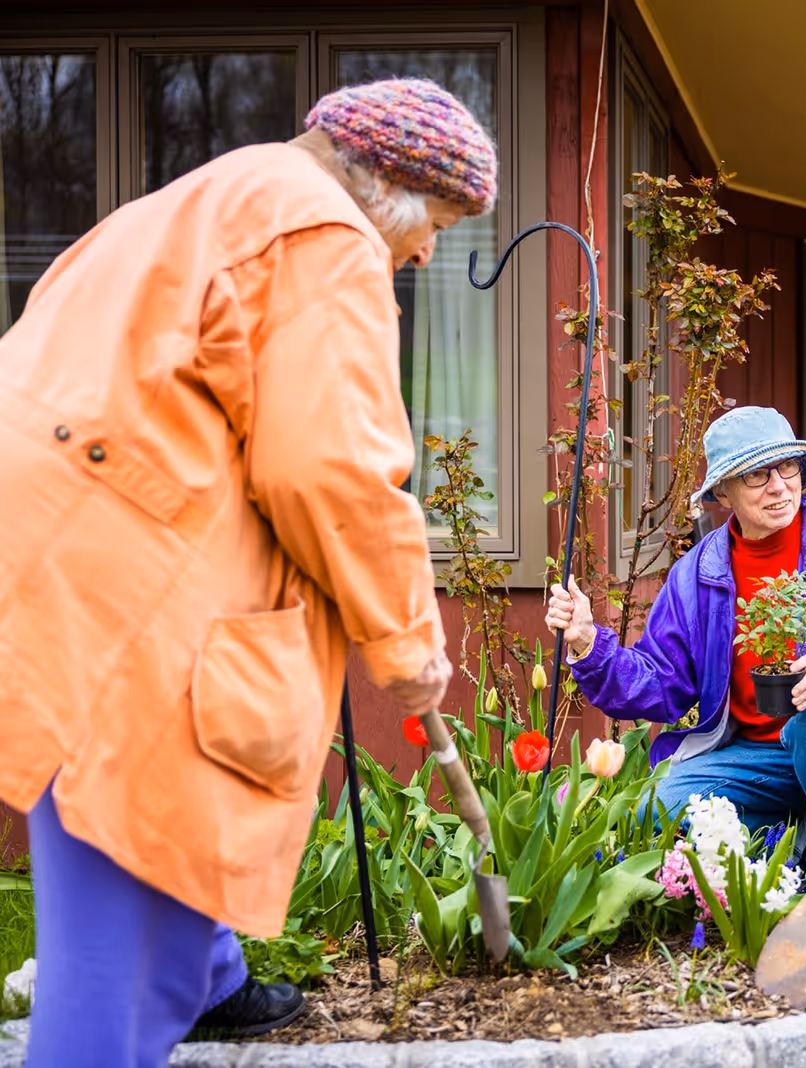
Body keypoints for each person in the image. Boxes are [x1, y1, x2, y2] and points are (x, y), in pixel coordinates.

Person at [0, 77, 497, 1066]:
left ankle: (217, 974)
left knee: (128, 806)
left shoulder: (187, 204)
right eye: (436, 221)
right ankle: (151, 1003)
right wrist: (404, 642)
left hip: (46, 556)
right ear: (390, 187)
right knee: (129, 928)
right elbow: (330, 468)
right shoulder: (324, 234)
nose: (427, 250)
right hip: (128, 586)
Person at [545, 406, 806, 842]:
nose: (779, 486)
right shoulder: (699, 574)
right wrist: (589, 642)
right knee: (652, 814)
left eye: (787, 467)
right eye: (757, 474)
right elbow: (662, 684)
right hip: (755, 757)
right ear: (723, 494)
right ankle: (785, 839)